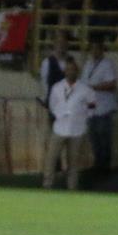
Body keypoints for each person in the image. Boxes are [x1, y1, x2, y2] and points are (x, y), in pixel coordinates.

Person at [43, 57, 95, 190]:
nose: (70, 72)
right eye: (68, 69)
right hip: (59, 128)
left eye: (73, 69)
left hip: (77, 130)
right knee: (51, 158)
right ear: (64, 71)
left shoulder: (85, 89)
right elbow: (52, 104)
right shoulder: (57, 87)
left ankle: (72, 188)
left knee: (73, 162)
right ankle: (47, 185)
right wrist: (59, 114)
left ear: (77, 72)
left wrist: (84, 116)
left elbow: (92, 105)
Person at [84, 38, 118, 176]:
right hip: (91, 108)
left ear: (101, 50)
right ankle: (97, 163)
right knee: (94, 137)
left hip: (104, 107)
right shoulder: (88, 64)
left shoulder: (107, 64)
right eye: (92, 49)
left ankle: (105, 166)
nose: (94, 51)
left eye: (97, 48)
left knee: (104, 137)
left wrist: (94, 87)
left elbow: (112, 84)